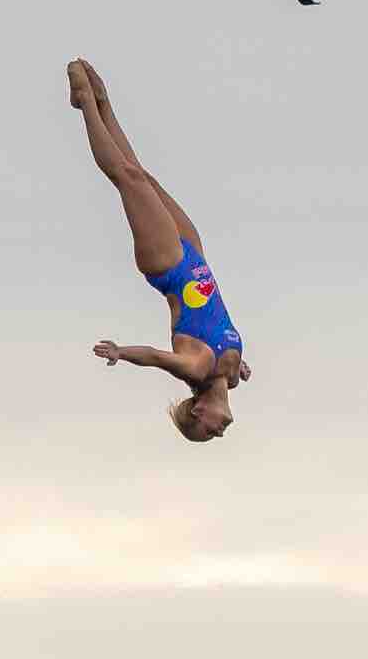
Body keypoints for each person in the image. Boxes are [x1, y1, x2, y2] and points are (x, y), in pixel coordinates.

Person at [70, 60, 250, 439]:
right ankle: (103, 101)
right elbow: (224, 338)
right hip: (195, 257)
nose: (220, 433)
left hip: (167, 265)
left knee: (128, 178)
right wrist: (242, 364)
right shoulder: (232, 376)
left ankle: (85, 102)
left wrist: (121, 352)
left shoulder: (196, 369)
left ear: (198, 411)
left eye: (208, 432)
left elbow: (154, 357)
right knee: (143, 176)